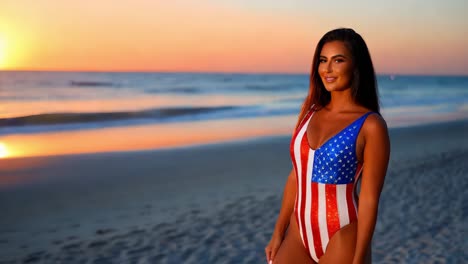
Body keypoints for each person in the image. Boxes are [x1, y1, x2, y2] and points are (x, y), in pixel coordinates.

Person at [264, 28, 390, 264]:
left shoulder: (370, 125)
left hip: (342, 235)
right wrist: (278, 232)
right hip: (298, 234)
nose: (327, 69)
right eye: (323, 60)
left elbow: (370, 199)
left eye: (338, 60)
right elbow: (296, 176)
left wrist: (360, 257)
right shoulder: (309, 113)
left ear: (356, 66)